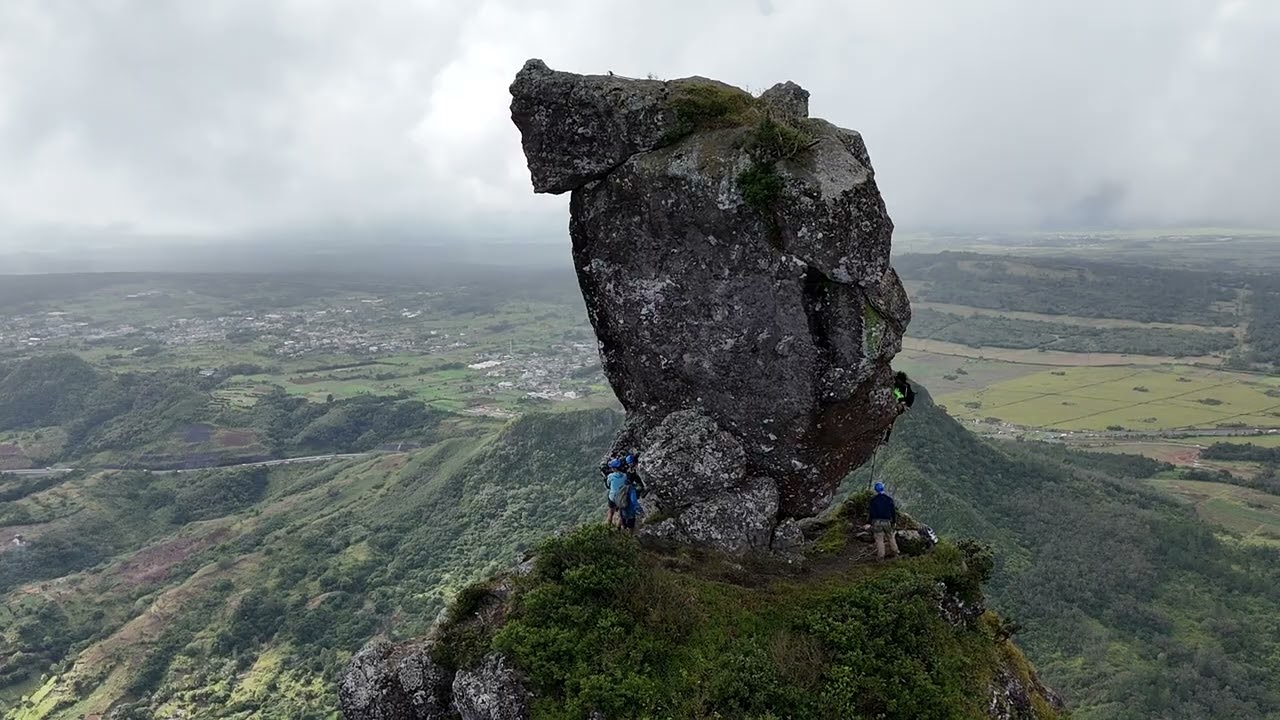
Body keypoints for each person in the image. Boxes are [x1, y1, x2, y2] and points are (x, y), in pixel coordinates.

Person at [867, 481, 899, 560]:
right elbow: (893, 512)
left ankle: (881, 557)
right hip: (887, 521)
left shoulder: (873, 500)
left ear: (876, 490)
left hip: (876, 522)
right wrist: (894, 521)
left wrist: (869, 522)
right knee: (890, 537)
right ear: (883, 488)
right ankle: (895, 552)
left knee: (879, 539)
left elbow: (871, 512)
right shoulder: (889, 499)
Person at [882, 371, 916, 444]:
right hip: (897, 402)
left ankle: (886, 437)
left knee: (892, 415)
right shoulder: (895, 383)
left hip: (904, 404)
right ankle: (885, 436)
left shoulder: (905, 387)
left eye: (898, 380)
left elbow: (904, 400)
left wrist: (900, 403)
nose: (897, 381)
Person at [618, 454, 647, 533]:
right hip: (634, 489)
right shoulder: (631, 471)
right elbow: (634, 501)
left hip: (623, 501)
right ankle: (628, 532)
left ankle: (623, 530)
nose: (630, 464)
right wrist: (640, 510)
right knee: (629, 521)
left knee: (623, 516)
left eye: (631, 463)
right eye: (629, 463)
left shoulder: (628, 471)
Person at [604, 458, 627, 527]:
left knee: (610, 513)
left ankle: (608, 527)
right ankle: (618, 528)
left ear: (614, 468)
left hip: (612, 497)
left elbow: (608, 485)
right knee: (620, 515)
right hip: (621, 497)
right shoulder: (625, 476)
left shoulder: (610, 476)